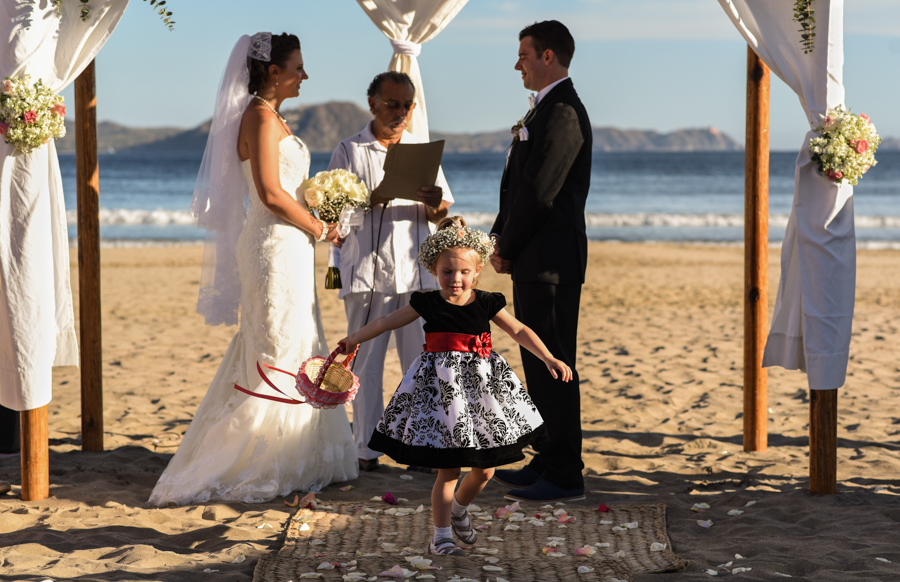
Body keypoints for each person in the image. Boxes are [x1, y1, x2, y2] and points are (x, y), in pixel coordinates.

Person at [149, 33, 357, 506]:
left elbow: (286, 189)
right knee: (275, 342)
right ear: (273, 72)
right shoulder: (260, 118)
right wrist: (319, 227)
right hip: (271, 244)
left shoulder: (272, 117)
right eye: (299, 67)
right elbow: (268, 192)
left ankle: (299, 449)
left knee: (294, 336)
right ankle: (263, 455)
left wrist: (322, 210)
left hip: (290, 244)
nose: (306, 75)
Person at [338, 216, 571, 555]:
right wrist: (354, 339)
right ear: (434, 269)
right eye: (447, 271)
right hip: (442, 397)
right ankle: (441, 534)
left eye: (464, 272)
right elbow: (386, 321)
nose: (456, 279)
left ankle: (460, 508)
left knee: (486, 470)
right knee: (448, 469)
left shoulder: (488, 301)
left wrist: (549, 357)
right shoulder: (427, 302)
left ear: (477, 272)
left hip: (482, 394)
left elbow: (519, 331)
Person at [327, 71, 454, 474]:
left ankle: (421, 447)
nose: (400, 112)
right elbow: (333, 219)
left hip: (418, 274)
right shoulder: (348, 150)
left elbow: (442, 213)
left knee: (421, 363)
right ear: (373, 105)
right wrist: (373, 198)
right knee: (366, 364)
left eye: (406, 105)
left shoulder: (422, 149)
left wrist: (436, 205)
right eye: (392, 104)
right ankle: (366, 450)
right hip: (367, 276)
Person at [490, 21, 593, 502]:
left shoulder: (564, 113)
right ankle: (546, 459)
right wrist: (497, 234)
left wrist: (507, 247)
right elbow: (518, 185)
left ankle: (566, 472)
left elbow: (539, 194)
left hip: (550, 262)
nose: (517, 65)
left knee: (555, 365)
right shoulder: (545, 110)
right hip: (535, 258)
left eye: (524, 55)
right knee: (538, 364)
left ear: (548, 56)